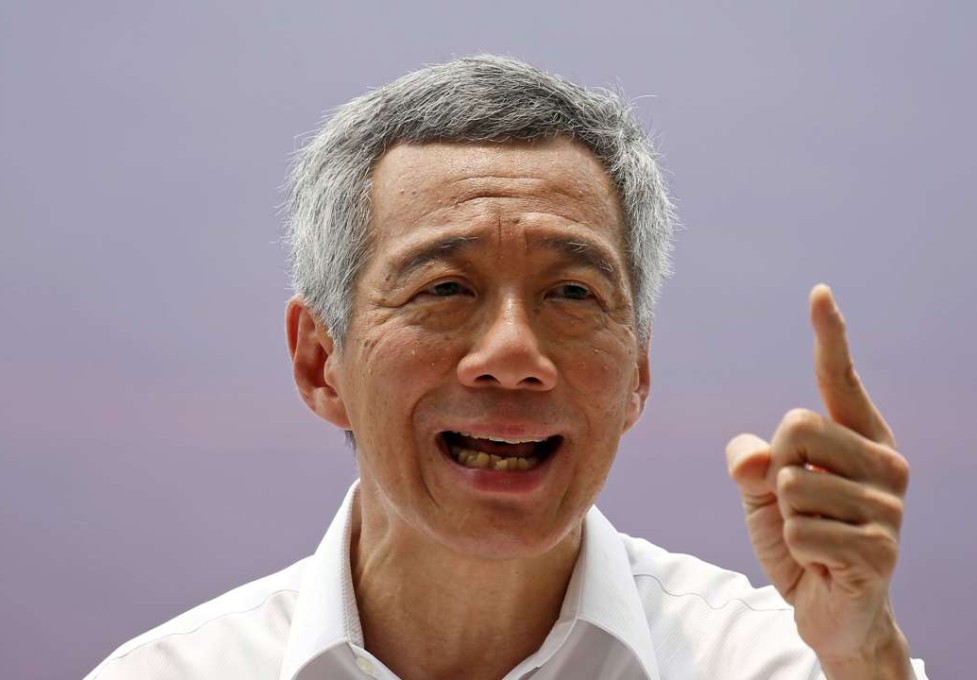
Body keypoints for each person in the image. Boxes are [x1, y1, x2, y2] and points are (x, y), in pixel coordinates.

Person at [86, 55, 927, 679]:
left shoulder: (775, 663)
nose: (514, 356)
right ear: (320, 362)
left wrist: (865, 652)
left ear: (637, 371)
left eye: (571, 293)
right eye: (445, 287)